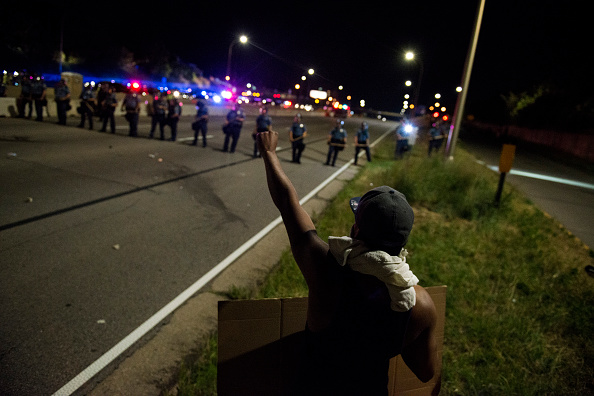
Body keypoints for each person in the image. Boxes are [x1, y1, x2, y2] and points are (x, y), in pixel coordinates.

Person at [256, 130, 438, 395]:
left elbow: (287, 202)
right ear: (402, 245)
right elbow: (426, 372)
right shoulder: (418, 303)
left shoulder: (326, 270)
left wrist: (269, 153)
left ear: (355, 231)